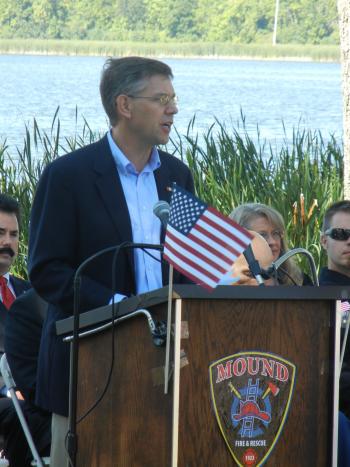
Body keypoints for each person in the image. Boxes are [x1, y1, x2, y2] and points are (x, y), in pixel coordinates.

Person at [28, 56, 194, 467]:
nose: (173, 108)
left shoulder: (177, 175)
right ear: (125, 105)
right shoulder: (68, 175)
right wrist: (123, 309)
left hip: (167, 364)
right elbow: (48, 272)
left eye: (173, 98)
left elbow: (191, 263)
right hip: (88, 364)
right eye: (162, 98)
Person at [318, 200, 350, 467]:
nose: (348, 241)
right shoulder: (311, 292)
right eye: (341, 234)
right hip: (336, 411)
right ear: (324, 241)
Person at [230, 202, 310, 285]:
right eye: (262, 235)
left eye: (275, 233)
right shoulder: (224, 285)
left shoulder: (300, 281)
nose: (272, 241)